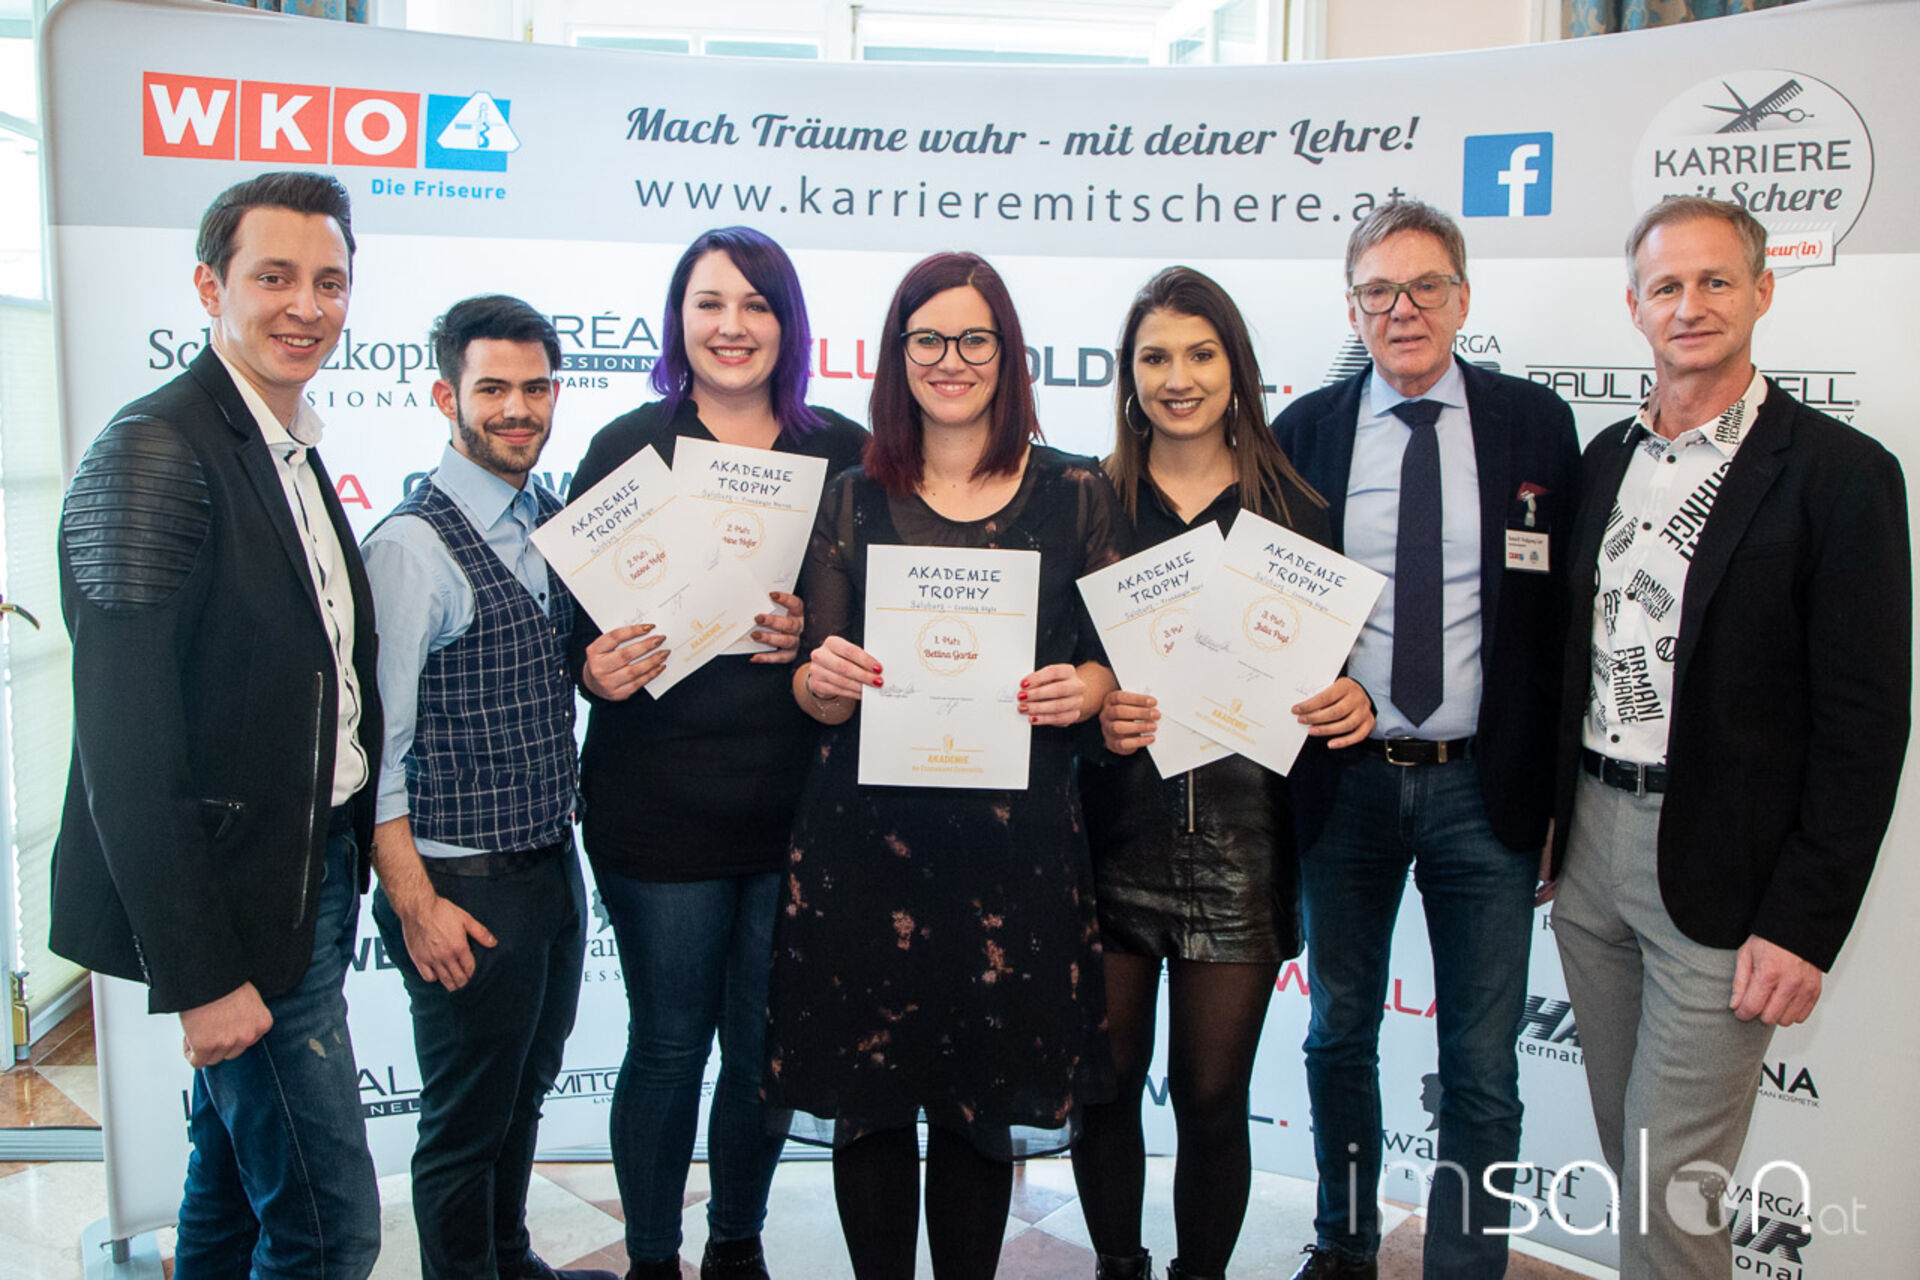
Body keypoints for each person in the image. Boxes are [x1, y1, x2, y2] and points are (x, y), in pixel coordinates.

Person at [1548, 196, 1909, 1278]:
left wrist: (1804, 922)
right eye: (1666, 285)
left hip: (1725, 871)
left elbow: (1865, 720)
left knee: (1674, 1184)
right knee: (1635, 1158)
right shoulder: (1604, 459)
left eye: (1715, 281)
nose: (1690, 305)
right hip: (1591, 855)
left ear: (1762, 291)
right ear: (1635, 308)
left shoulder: (1841, 474)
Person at [50, 171, 384, 1277]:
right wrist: (200, 974)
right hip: (240, 911)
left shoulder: (282, 441)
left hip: (307, 873)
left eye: (329, 281)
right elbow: (123, 749)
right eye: (274, 276)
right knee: (332, 1229)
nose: (307, 306)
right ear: (210, 286)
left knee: (234, 1189)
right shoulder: (154, 450)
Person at [765, 250, 1120, 1280]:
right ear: (897, 355)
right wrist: (819, 679)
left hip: (1011, 855)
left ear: (1007, 353)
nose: (950, 358)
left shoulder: (1076, 491)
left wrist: (1087, 688)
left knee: (979, 1104)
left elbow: (1114, 663)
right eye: (928, 338)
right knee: (870, 1105)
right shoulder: (850, 495)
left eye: (974, 338)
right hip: (866, 848)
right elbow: (815, 687)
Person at [1271, 199, 1580, 1280]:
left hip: (1483, 792)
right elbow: (1267, 613)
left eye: (1424, 287)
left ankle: (1464, 1266)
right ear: (1351, 307)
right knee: (1337, 1035)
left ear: (1462, 297)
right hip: (1343, 786)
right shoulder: (1304, 431)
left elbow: (1561, 628)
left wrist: (1557, 802)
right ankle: (1345, 1242)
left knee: (1483, 1068)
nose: (1401, 309)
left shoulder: (1534, 424)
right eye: (1378, 291)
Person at [568, 227, 868, 1280]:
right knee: (666, 1044)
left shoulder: (845, 450)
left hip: (801, 805)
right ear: (677, 320)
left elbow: (884, 620)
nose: (732, 326)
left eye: (756, 303)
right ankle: (654, 1260)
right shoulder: (625, 448)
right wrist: (591, 668)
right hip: (658, 805)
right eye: (709, 303)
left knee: (762, 1047)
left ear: (789, 323)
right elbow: (568, 623)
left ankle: (737, 1244)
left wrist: (820, 634)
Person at [1070, 266, 1374, 1280]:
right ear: (1128, 375)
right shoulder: (1090, 501)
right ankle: (1119, 1266)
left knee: (1210, 1098)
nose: (1179, 377)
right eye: (1155, 356)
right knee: (1106, 1087)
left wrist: (1350, 699)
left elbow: (1329, 673)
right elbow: (1057, 669)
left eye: (1201, 354)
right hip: (1110, 835)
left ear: (1237, 367)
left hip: (1245, 840)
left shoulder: (1297, 508)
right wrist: (1095, 711)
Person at [361, 295, 623, 1280]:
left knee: (522, 1093)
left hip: (548, 865)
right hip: (460, 883)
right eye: (493, 388)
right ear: (447, 397)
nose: (518, 408)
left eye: (536, 387)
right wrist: (415, 901)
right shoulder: (410, 547)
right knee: (465, 1123)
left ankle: (512, 1261)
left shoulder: (549, 518)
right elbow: (375, 751)